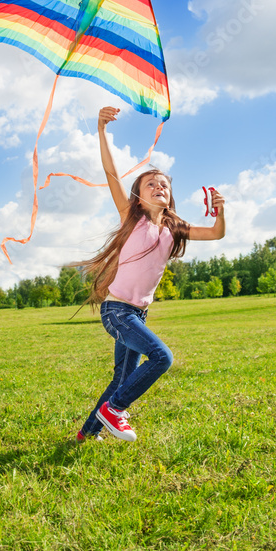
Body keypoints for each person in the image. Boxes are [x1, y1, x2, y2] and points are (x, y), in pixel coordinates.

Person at [77, 106, 225, 443]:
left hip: (138, 316)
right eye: (151, 184)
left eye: (164, 185)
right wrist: (101, 129)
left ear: (170, 195)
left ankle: (87, 434)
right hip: (117, 311)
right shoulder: (133, 218)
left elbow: (216, 233)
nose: (159, 187)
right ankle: (114, 411)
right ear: (139, 197)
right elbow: (111, 172)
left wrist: (221, 211)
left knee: (122, 379)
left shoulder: (175, 228)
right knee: (162, 357)